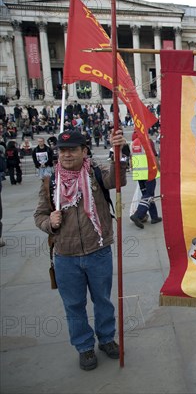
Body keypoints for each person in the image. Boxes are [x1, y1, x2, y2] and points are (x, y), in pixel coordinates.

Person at [34, 129, 127, 371]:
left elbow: (117, 180)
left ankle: (106, 339)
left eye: (72, 149)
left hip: (98, 251)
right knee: (74, 305)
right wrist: (49, 223)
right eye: (62, 150)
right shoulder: (50, 182)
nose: (66, 155)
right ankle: (84, 346)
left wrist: (118, 153)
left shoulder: (96, 173)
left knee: (103, 301)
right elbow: (39, 215)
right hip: (66, 255)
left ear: (84, 151)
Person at [129, 133, 161, 228]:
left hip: (139, 174)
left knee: (146, 195)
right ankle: (138, 215)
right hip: (149, 172)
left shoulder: (133, 143)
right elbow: (154, 156)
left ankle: (154, 217)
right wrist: (159, 168)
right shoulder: (148, 141)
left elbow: (131, 159)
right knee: (149, 195)